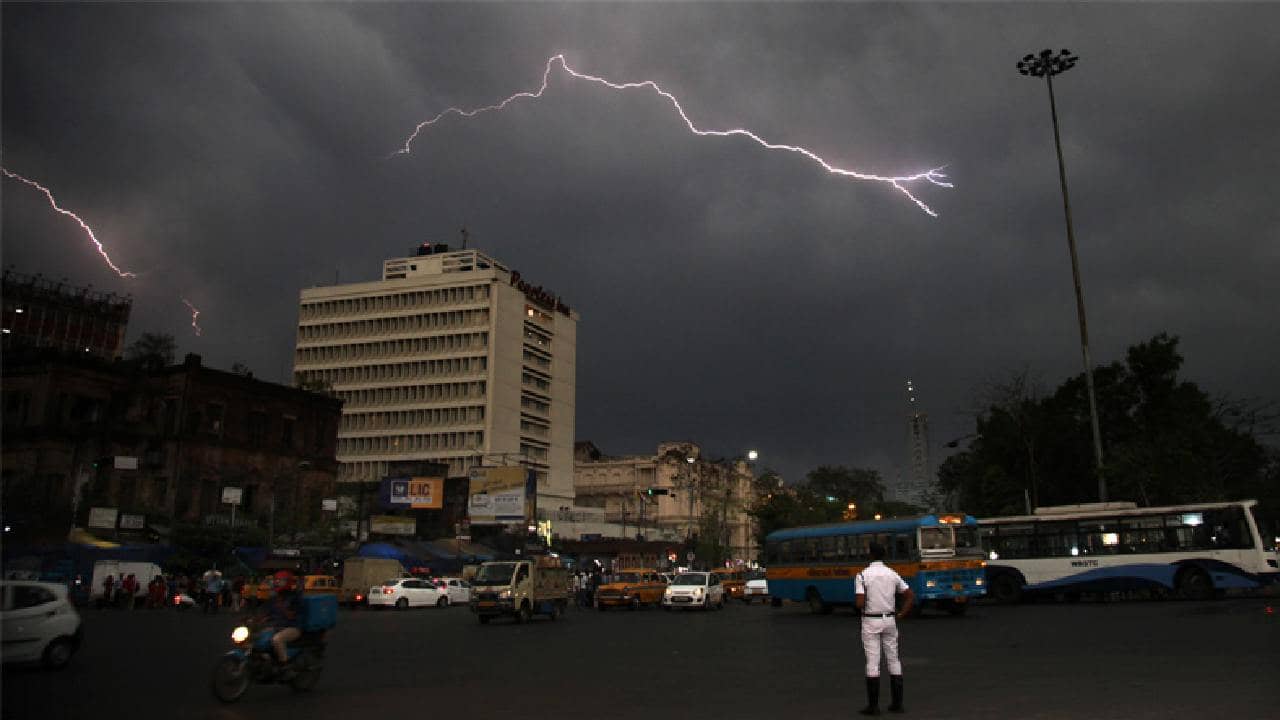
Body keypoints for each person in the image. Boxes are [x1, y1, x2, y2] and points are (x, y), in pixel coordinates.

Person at [854, 542, 914, 715]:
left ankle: (873, 706)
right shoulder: (892, 574)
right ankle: (897, 703)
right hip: (890, 619)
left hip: (871, 620)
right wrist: (901, 614)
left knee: (873, 661)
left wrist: (863, 602)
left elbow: (859, 603)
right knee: (893, 659)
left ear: (870, 555)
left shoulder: (863, 575)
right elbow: (910, 595)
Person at [262, 570, 303, 678]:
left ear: (287, 582)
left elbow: (292, 616)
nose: (278, 582)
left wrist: (281, 605)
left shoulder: (295, 597)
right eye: (277, 580)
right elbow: (266, 613)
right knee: (259, 638)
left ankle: (285, 667)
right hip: (276, 627)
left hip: (292, 627)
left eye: (281, 581)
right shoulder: (273, 598)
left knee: (277, 639)